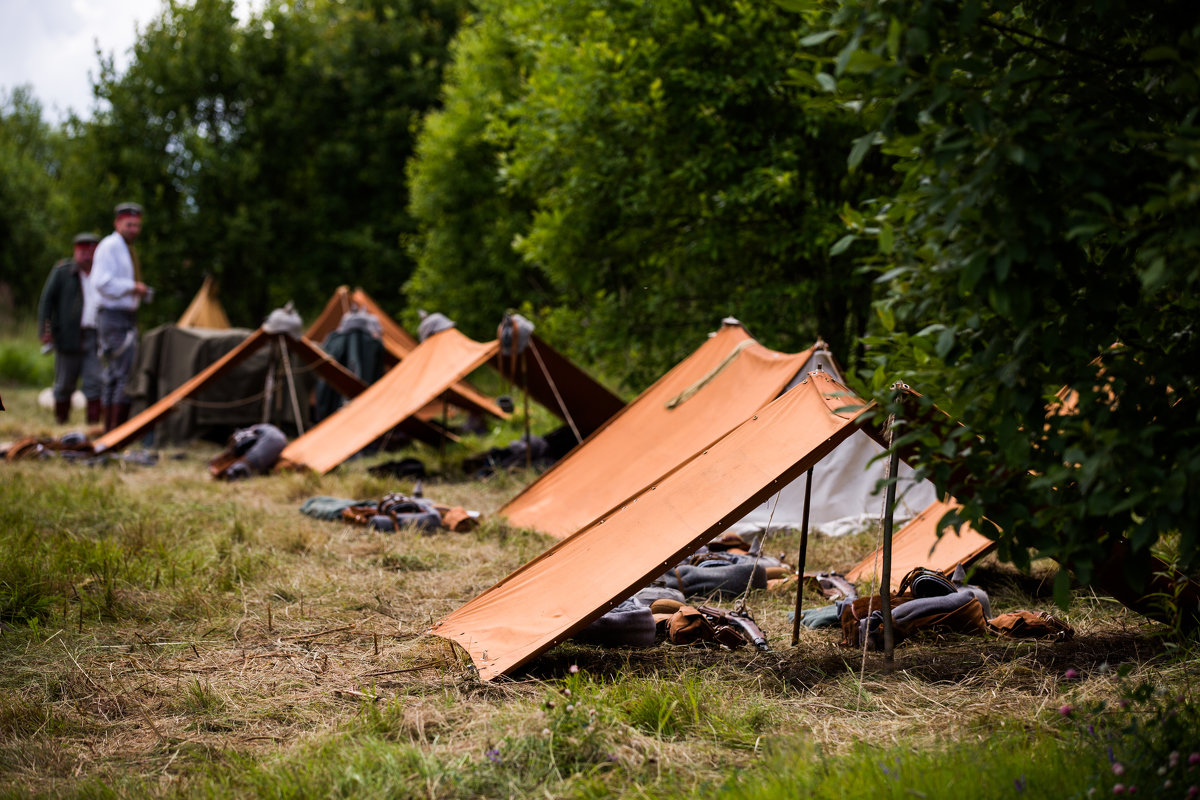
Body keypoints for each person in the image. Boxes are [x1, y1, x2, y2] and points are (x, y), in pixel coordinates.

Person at [92, 202, 151, 432]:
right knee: (123, 373)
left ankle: (111, 429)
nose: (134, 229)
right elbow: (101, 283)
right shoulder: (109, 246)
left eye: (137, 225)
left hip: (124, 317)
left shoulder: (125, 248)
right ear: (118, 223)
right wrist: (132, 287)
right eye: (129, 224)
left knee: (116, 373)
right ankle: (116, 430)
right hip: (113, 317)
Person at [36, 232, 103, 424]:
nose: (87, 256)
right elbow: (46, 302)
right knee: (64, 382)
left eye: (91, 252)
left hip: (94, 335)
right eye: (82, 252)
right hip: (68, 335)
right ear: (75, 252)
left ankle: (93, 424)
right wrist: (45, 330)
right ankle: (61, 420)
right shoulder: (63, 272)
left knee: (94, 382)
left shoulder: (102, 272)